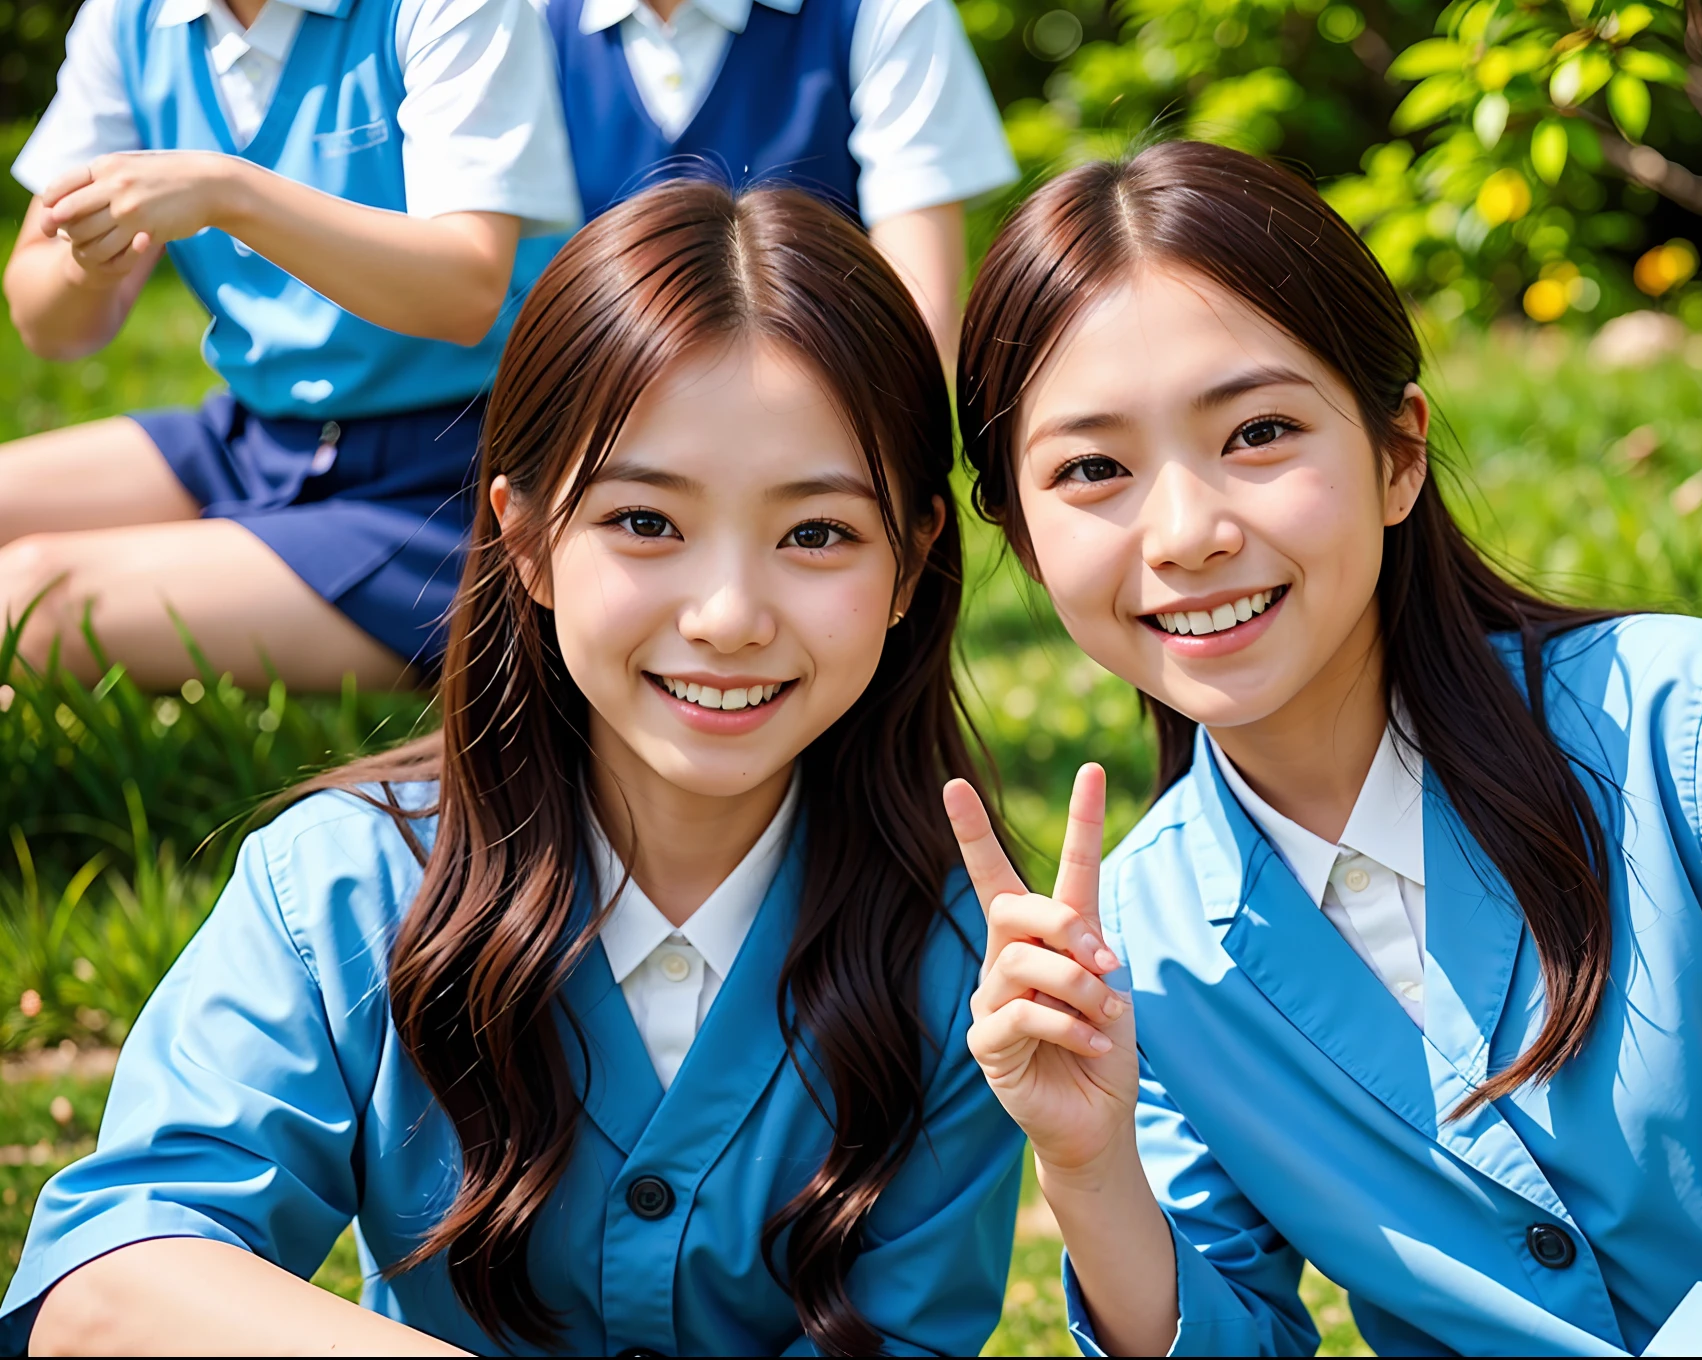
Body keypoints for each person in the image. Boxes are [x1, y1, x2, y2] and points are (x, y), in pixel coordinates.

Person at [943, 140, 1702, 1356]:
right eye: (1091, 468)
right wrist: (1087, 1167)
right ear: (1024, 534)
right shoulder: (1136, 961)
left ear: (1398, 452)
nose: (1187, 531)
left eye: (1256, 433)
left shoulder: (1686, 723)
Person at [2, 179, 1022, 1355]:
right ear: (527, 539)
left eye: (815, 534)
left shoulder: (966, 964)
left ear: (909, 565)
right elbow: (109, 1286)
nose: (729, 615)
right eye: (646, 522)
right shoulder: (348, 884)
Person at [0, 0, 579, 688]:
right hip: (255, 440)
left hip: (457, 477)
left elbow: (465, 291)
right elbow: (46, 324)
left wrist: (227, 192)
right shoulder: (128, 19)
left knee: (30, 602)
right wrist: (87, 263)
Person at [542, 0, 1015, 365]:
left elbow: (920, 315)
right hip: (601, 432)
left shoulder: (877, 11)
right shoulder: (530, 21)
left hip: (824, 424)